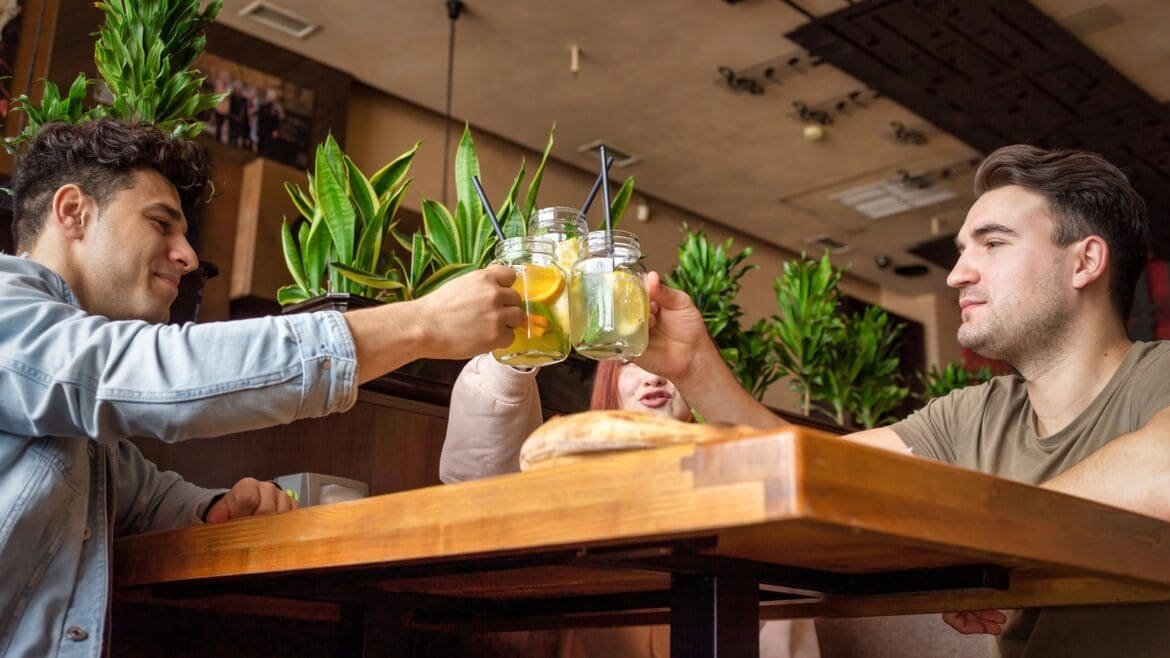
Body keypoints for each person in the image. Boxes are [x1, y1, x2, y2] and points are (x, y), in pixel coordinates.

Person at [0, 118, 523, 657]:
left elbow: (137, 497)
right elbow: (150, 371)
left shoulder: (70, 411)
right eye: (161, 223)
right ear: (73, 212)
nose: (188, 256)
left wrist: (214, 509)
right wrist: (424, 324)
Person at [633, 144, 1170, 657]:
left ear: (1085, 262)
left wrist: (983, 553)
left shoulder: (1159, 375)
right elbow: (812, 473)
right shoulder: (971, 416)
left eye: (995, 243)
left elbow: (1159, 471)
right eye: (962, 250)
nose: (958, 274)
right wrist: (696, 368)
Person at [441, 355, 820, 658]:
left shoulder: (738, 486)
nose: (653, 377)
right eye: (628, 362)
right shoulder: (565, 476)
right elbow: (481, 488)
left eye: (665, 366)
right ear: (607, 385)